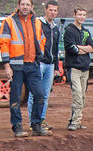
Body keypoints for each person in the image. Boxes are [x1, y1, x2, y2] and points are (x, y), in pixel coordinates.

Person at [0, 0, 48, 138]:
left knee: (39, 94)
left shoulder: (37, 22)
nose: (25, 7)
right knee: (15, 97)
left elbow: (42, 39)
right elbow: (3, 44)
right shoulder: (9, 22)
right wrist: (6, 65)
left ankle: (36, 125)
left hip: (33, 64)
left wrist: (40, 55)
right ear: (18, 5)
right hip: (16, 65)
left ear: (32, 6)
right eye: (23, 4)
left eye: (28, 4)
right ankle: (17, 126)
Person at [27, 0, 59, 133]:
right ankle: (32, 121)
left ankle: (41, 119)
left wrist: (57, 66)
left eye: (55, 10)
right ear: (45, 10)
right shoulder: (38, 24)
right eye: (50, 10)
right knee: (34, 93)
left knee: (45, 94)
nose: (52, 12)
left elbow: (56, 49)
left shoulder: (55, 28)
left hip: (50, 65)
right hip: (39, 63)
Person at [63, 6, 93, 131]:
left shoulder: (86, 31)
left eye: (84, 15)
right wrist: (85, 49)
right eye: (79, 14)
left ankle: (75, 119)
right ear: (75, 15)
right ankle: (74, 122)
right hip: (74, 68)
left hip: (85, 68)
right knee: (77, 94)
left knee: (82, 96)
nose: (81, 17)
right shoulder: (69, 31)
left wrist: (82, 48)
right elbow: (71, 48)